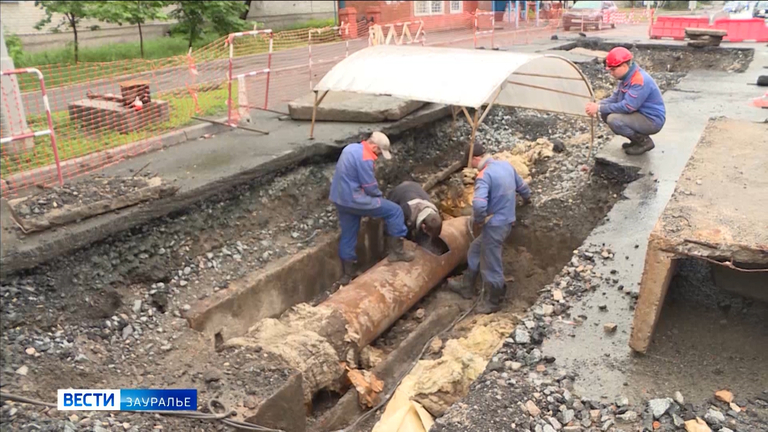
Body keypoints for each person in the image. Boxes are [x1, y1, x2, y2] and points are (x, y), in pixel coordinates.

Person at [448, 143, 532, 314]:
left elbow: (479, 205)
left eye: (470, 162)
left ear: (475, 158)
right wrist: (527, 200)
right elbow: (523, 188)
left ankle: (494, 300)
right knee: (475, 248)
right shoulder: (506, 165)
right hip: (506, 222)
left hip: (495, 226)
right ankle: (467, 286)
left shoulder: (484, 176)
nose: (470, 166)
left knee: (491, 262)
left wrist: (478, 220)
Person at [329, 131, 415, 286]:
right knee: (394, 211)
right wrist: (378, 197)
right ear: (374, 146)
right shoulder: (365, 158)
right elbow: (369, 185)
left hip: (340, 199)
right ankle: (397, 252)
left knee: (349, 233)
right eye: (379, 152)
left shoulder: (350, 148)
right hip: (356, 200)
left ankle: (348, 273)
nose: (379, 155)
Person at [585, 47, 666, 156]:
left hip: (652, 120)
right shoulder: (626, 77)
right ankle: (635, 140)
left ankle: (644, 142)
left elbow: (628, 106)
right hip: (640, 114)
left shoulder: (639, 80)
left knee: (613, 119)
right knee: (606, 113)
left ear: (624, 66)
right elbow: (614, 98)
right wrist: (598, 104)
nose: (611, 73)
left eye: (613, 70)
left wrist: (599, 108)